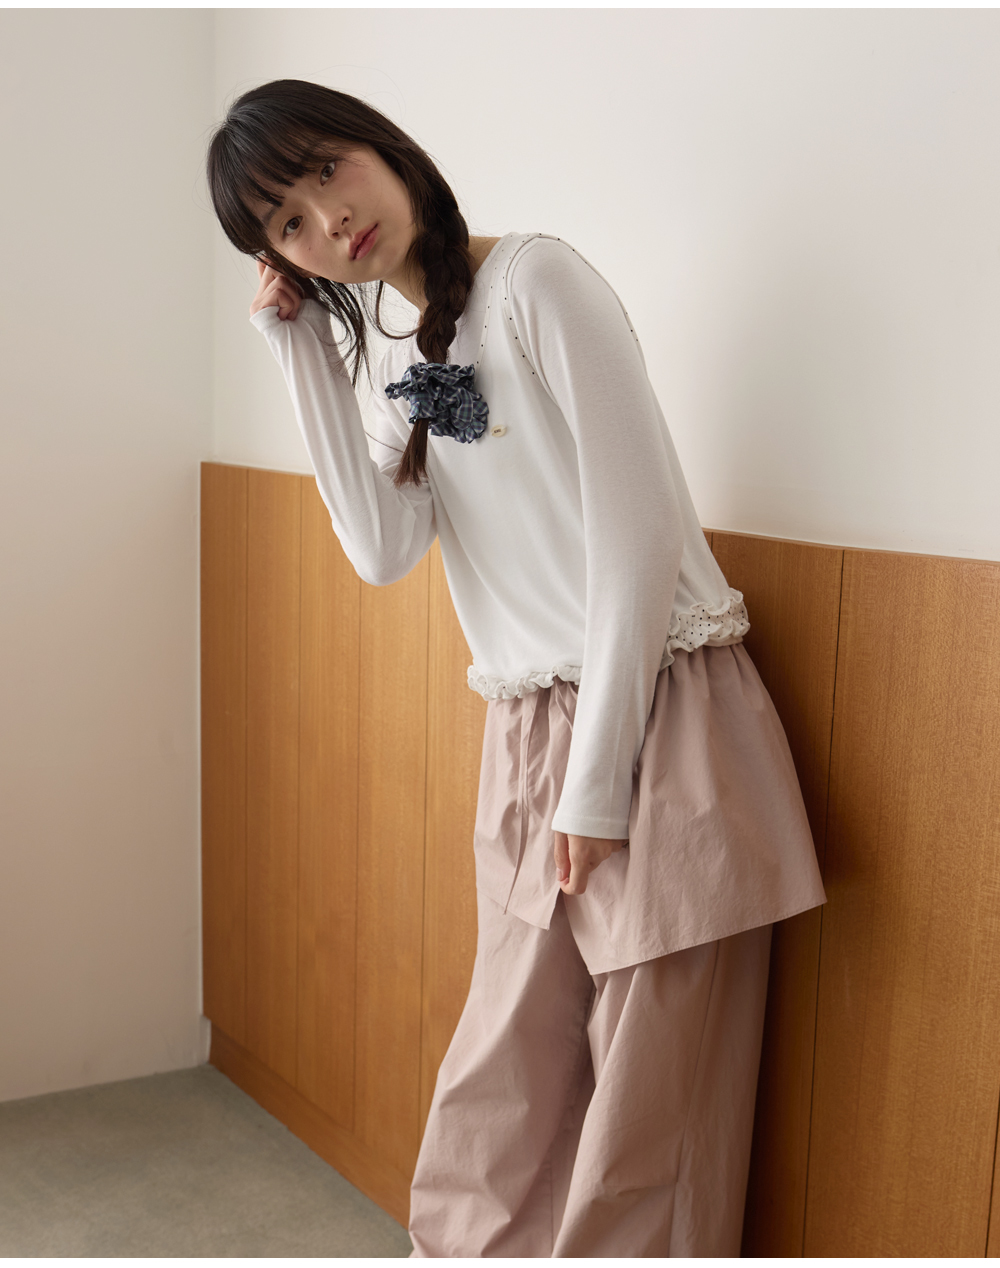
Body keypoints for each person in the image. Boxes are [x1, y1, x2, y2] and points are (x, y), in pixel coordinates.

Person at [207, 78, 826, 1257]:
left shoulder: (537, 282)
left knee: (649, 1125)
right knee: (499, 1098)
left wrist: (596, 787)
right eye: (287, 220)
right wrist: (296, 352)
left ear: (381, 146)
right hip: (529, 732)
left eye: (327, 169)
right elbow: (380, 548)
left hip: (660, 718)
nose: (328, 219)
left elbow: (638, 542)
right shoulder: (411, 352)